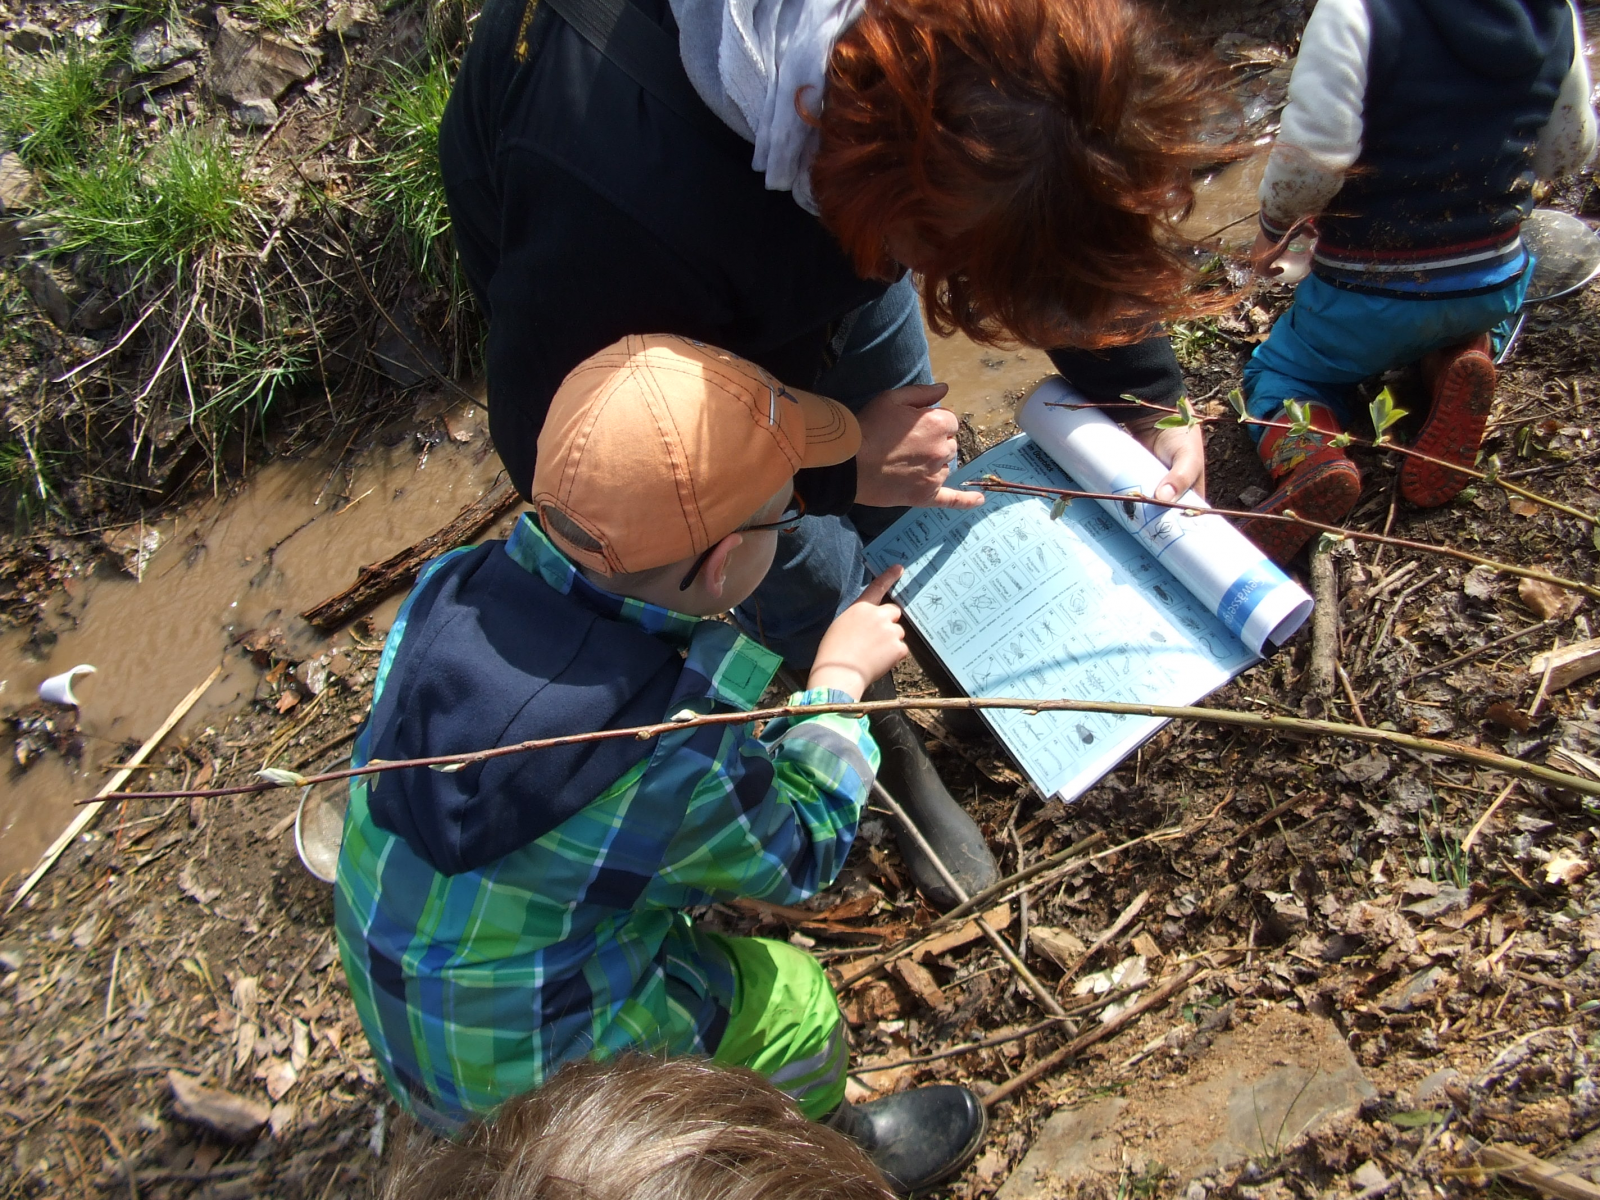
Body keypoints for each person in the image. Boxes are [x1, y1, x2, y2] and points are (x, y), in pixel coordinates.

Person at [437, 0, 1233, 908]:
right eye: (943, 261)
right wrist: (829, 468)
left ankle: (930, 632)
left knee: (899, 436)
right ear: (868, 180)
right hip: (648, 304)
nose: (939, 283)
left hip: (824, 216)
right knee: (796, 553)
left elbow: (1051, 192)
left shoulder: (973, 101)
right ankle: (874, 731)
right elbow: (592, 472)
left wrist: (1145, 393)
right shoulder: (620, 205)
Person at [336, 336, 987, 1194]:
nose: (793, 516)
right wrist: (835, 681)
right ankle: (821, 1152)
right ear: (725, 563)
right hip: (564, 1106)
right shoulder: (672, 744)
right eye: (785, 511)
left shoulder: (449, 590)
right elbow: (802, 853)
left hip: (425, 1040)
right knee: (792, 1006)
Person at [1237, 0, 1596, 564]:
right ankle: (1457, 358)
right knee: (1481, 306)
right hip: (1490, 280)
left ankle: (1313, 459)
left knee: (1282, 374)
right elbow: (1568, 151)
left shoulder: (1355, 12)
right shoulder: (1556, 12)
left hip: (1366, 294)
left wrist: (1273, 228)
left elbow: (1312, 163)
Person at [379, 1055, 899, 1200]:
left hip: (431, 1081)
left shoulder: (384, 794)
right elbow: (796, 855)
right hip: (543, 1056)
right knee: (797, 1001)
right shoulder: (634, 786)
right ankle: (842, 1131)